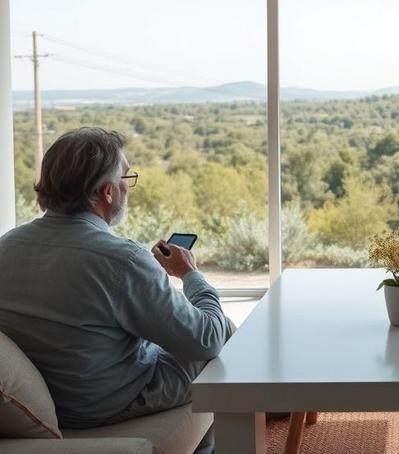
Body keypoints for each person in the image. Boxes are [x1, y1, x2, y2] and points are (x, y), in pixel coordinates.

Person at [0, 127, 233, 452]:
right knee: (224, 331)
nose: (128, 186)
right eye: (127, 177)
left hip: (53, 398)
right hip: (103, 403)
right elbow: (206, 340)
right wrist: (190, 274)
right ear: (107, 192)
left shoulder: (6, 246)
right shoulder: (122, 260)